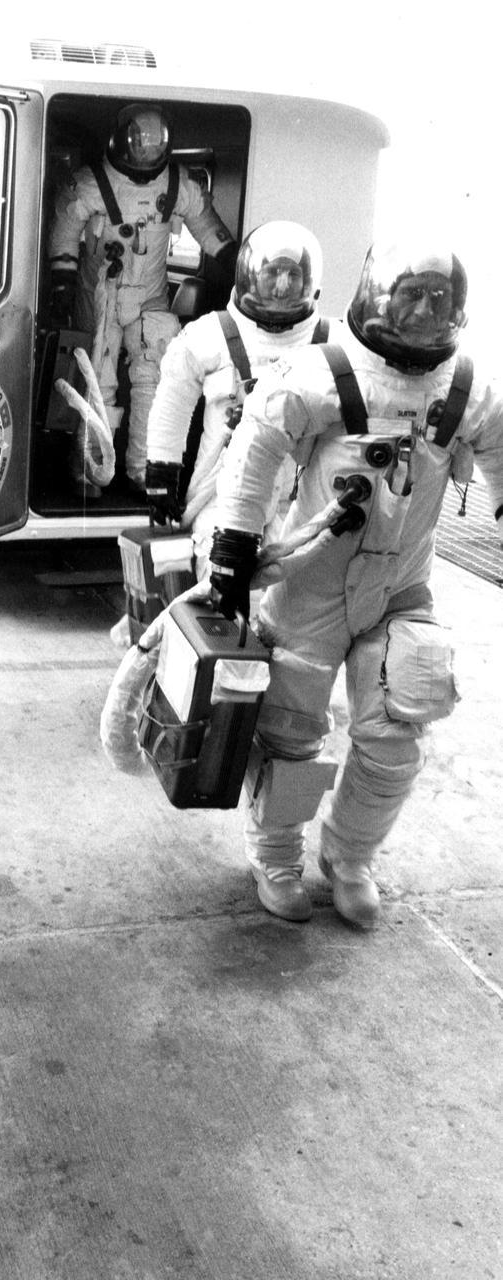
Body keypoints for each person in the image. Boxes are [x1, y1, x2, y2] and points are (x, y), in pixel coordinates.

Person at [207, 237, 503, 927]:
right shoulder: (321, 371)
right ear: (380, 296)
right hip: (311, 583)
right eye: (411, 294)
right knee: (288, 736)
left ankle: (351, 856)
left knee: (397, 733)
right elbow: (253, 457)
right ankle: (277, 855)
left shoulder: (467, 389)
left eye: (441, 298)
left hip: (403, 588)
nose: (426, 310)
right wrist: (231, 556)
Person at [47, 103, 237, 496]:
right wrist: (63, 283)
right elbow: (65, 231)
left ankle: (144, 471)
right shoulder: (91, 183)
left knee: (153, 381)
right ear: (123, 141)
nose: (147, 155)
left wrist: (237, 264)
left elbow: (208, 230)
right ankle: (91, 467)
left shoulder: (178, 184)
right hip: (100, 293)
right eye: (141, 145)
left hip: (150, 298)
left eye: (155, 147)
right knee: (99, 381)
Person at [145, 221, 330, 576]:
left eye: (293, 275)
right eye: (272, 273)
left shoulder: (329, 343)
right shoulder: (210, 335)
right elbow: (172, 406)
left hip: (300, 499)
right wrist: (161, 475)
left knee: (301, 589)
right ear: (250, 277)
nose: (281, 286)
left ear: (310, 285)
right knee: (223, 574)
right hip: (223, 496)